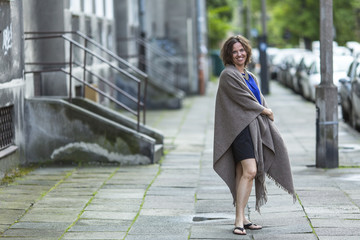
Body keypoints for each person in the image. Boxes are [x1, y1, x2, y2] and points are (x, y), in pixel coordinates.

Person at [213, 35, 296, 236]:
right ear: (229, 55)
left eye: (242, 50)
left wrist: (264, 109)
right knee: (250, 171)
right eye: (234, 52)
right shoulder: (228, 75)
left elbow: (258, 99)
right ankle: (238, 220)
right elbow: (245, 101)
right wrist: (265, 111)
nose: (239, 54)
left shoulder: (251, 77)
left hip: (253, 129)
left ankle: (243, 217)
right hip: (239, 131)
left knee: (243, 174)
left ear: (247, 52)